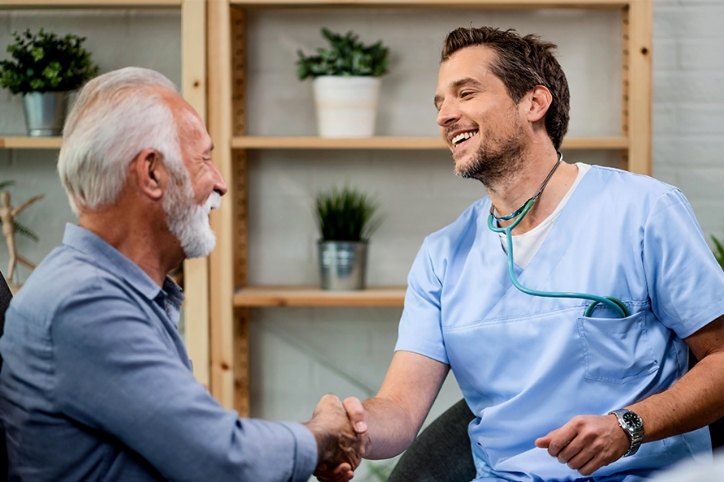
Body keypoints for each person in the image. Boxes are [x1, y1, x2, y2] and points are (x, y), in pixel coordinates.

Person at [328, 26, 724, 481]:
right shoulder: (441, 256)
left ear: (534, 103)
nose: (444, 115)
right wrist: (351, 430)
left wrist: (628, 426)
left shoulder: (644, 211)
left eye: (465, 93)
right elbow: (398, 408)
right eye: (439, 103)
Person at [0, 67, 365, 482]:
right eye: (205, 159)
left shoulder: (103, 289)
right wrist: (321, 437)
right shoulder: (82, 303)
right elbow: (220, 459)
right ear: (152, 173)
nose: (221, 184)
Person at [0, 190, 43, 283]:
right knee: (15, 256)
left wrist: (34, 199)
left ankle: (10, 276)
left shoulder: (10, 210)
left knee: (13, 255)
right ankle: (34, 267)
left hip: (10, 232)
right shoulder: (2, 211)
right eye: (3, 198)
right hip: (6, 232)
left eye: (6, 198)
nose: (5, 199)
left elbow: (24, 205)